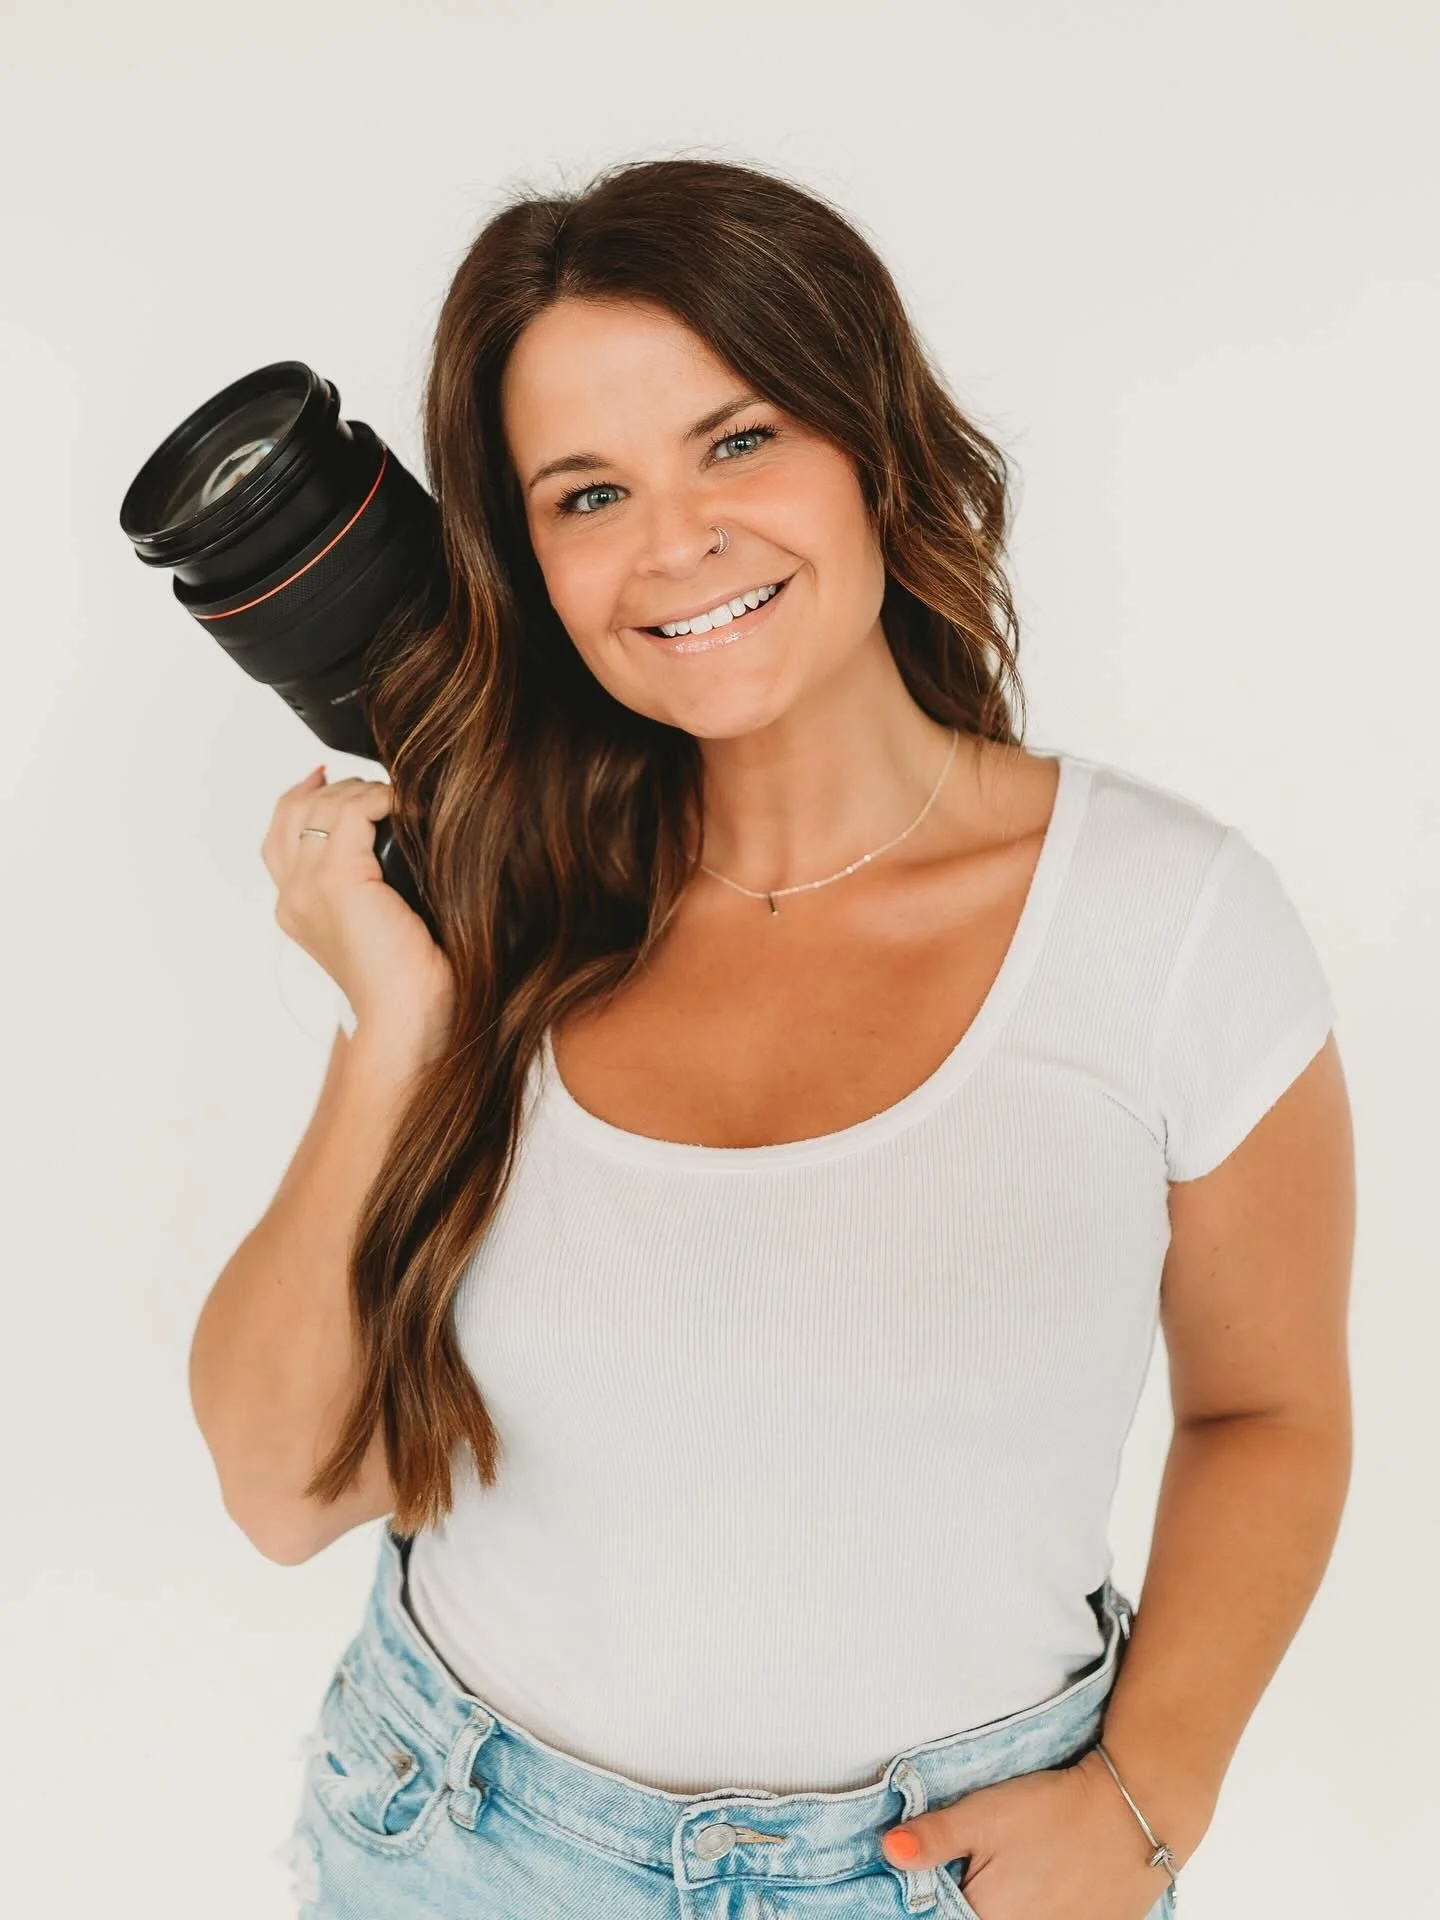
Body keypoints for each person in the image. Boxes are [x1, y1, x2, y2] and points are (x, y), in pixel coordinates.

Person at [190, 157, 1355, 1920]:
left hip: (943, 1876)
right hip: (459, 1846)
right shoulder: (505, 906)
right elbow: (282, 1489)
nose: (675, 545)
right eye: (588, 493)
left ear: (875, 447)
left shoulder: (1163, 921)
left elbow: (1270, 1408)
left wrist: (1149, 1792)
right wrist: (400, 1026)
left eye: (738, 443)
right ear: (530, 560)